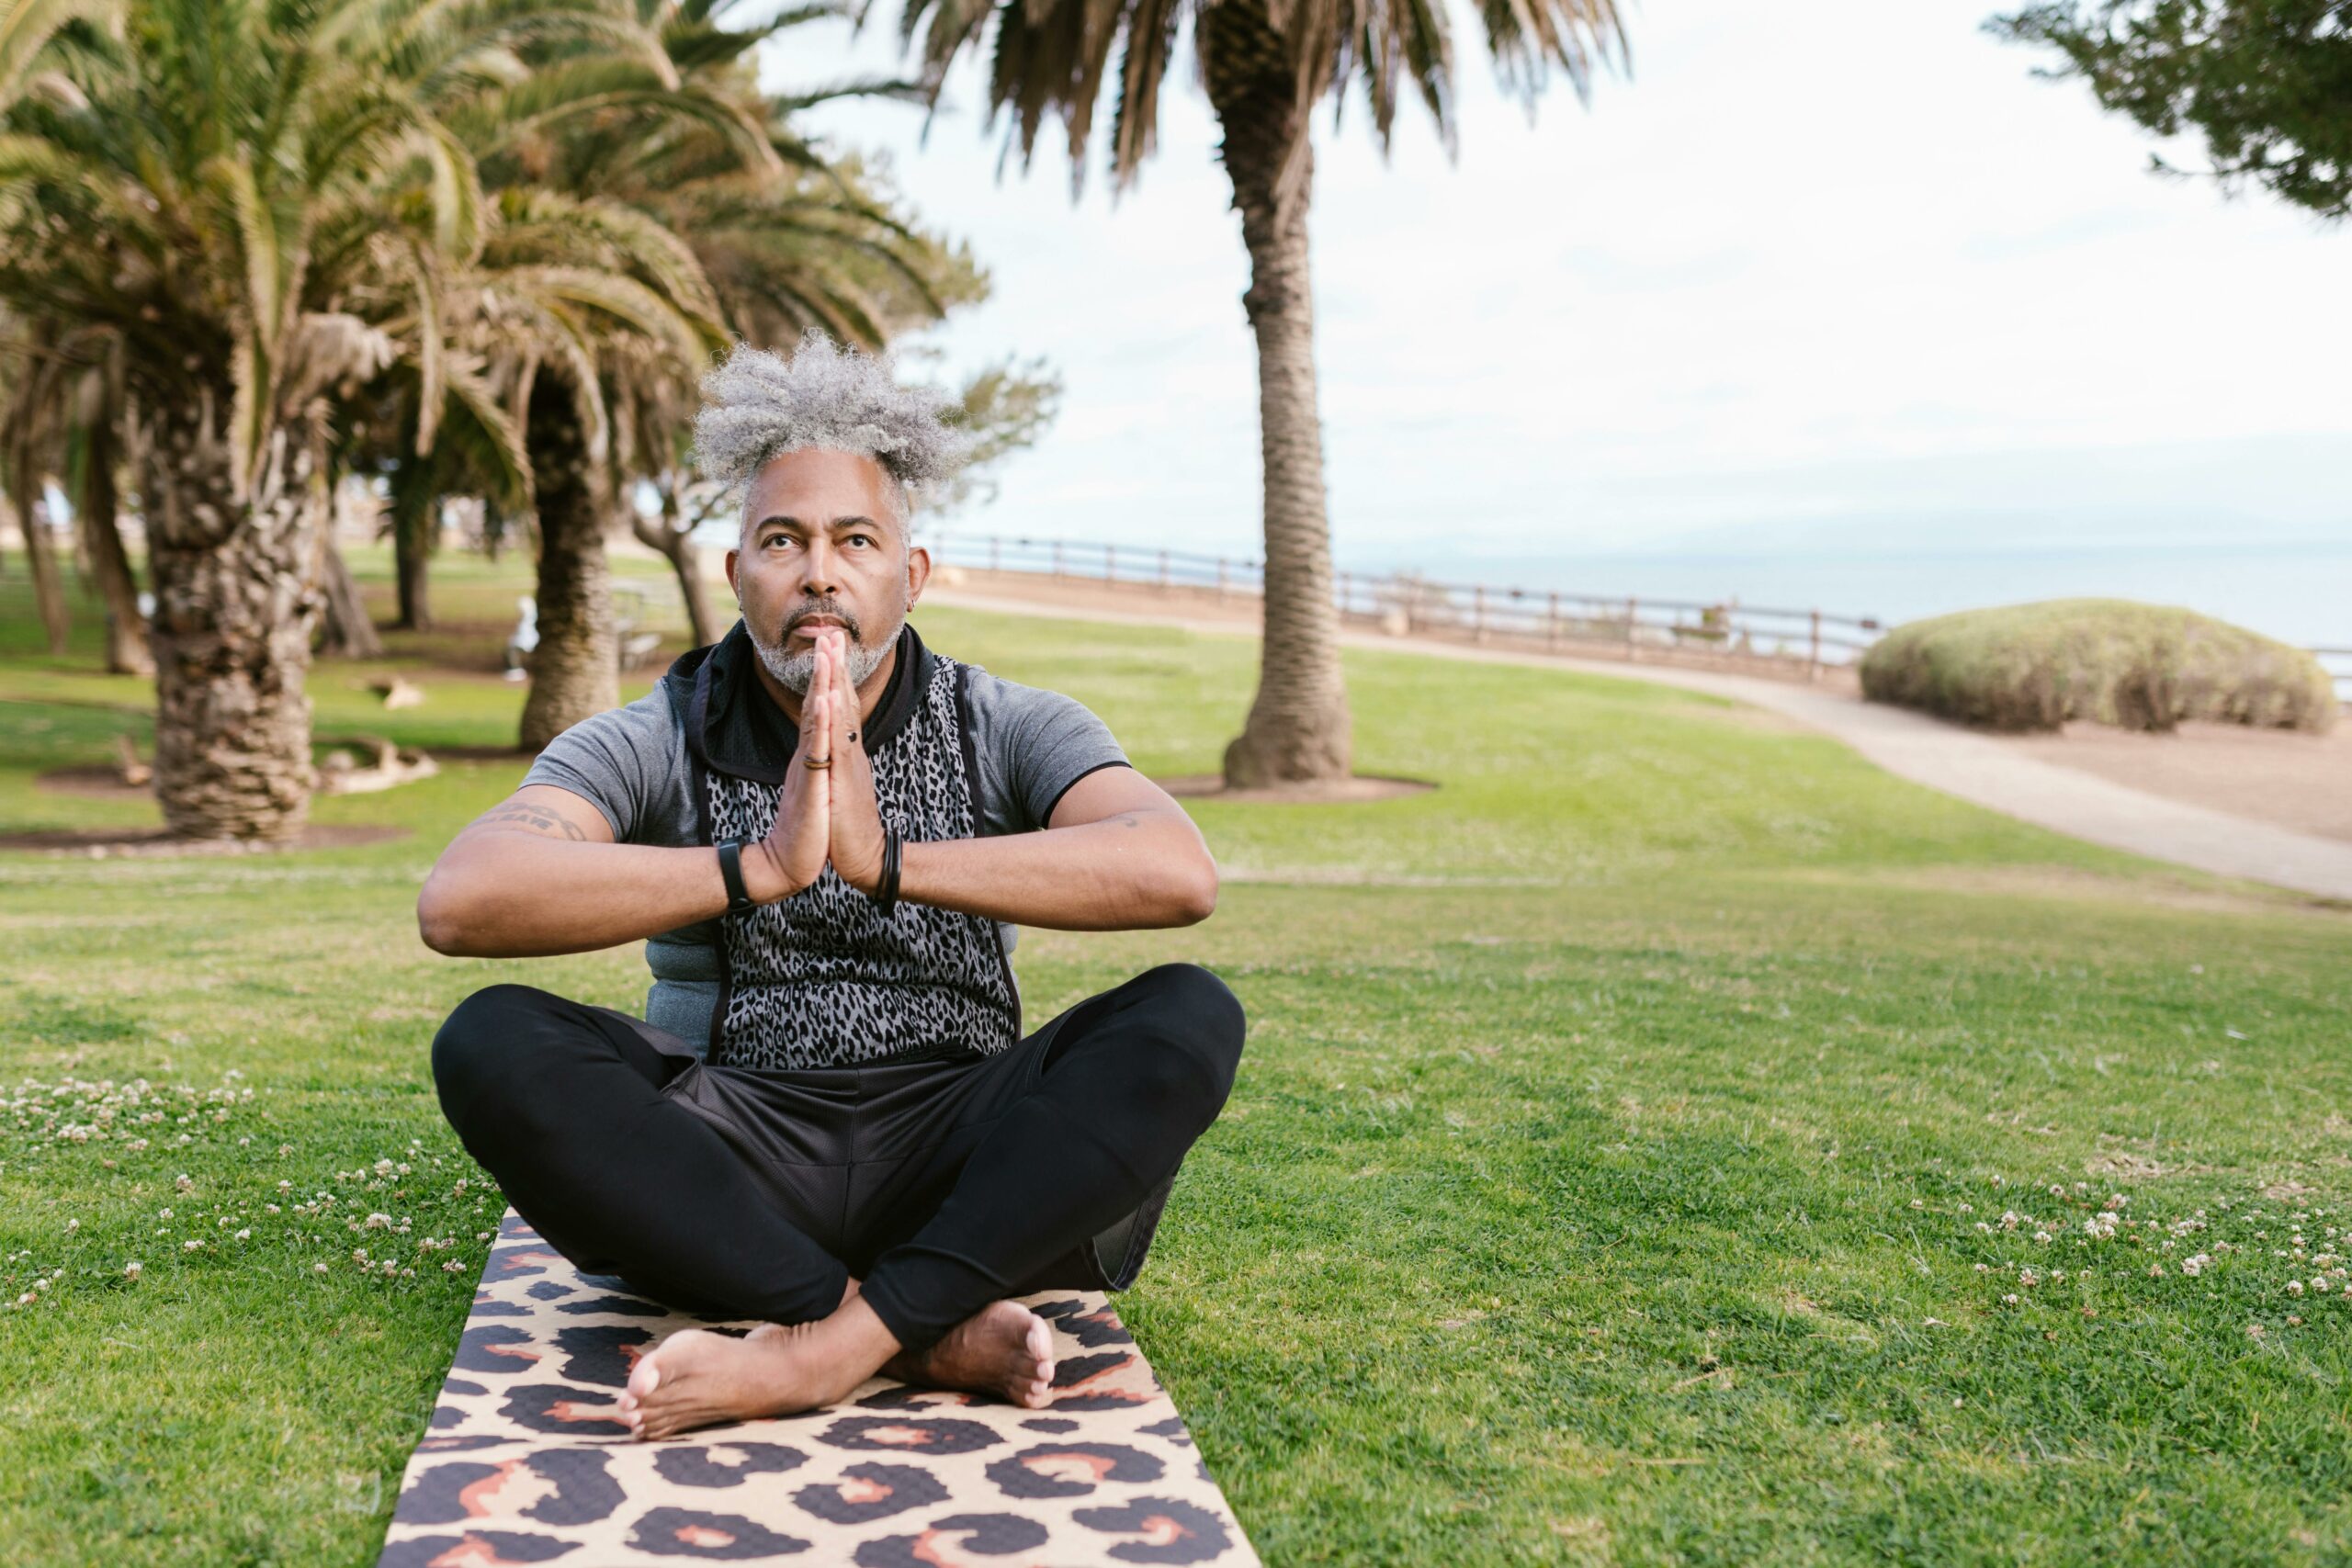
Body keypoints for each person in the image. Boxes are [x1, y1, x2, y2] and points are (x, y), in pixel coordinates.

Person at [417, 329, 1247, 1442]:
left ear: (908, 576)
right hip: (735, 1161)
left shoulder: (1000, 720)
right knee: (491, 1040)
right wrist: (757, 867)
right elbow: (463, 898)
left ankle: (821, 1349)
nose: (818, 570)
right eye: (782, 539)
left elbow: (1174, 868)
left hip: (966, 1154)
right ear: (736, 574)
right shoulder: (659, 732)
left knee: (1188, 1014)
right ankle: (918, 1326)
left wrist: (886, 865)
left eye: (854, 540)